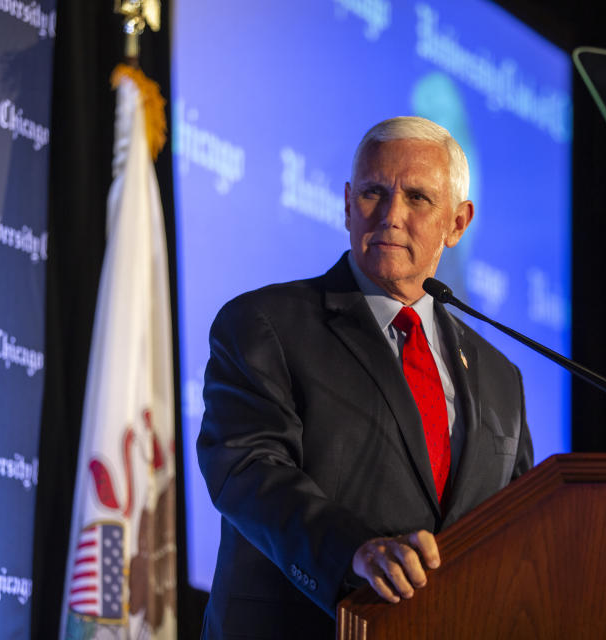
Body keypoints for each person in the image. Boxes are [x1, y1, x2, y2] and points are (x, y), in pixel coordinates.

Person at [197, 116, 533, 639]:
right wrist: (352, 552)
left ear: (458, 223)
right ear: (348, 202)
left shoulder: (499, 378)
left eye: (418, 197)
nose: (392, 215)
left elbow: (520, 527)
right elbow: (246, 469)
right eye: (375, 192)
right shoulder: (265, 324)